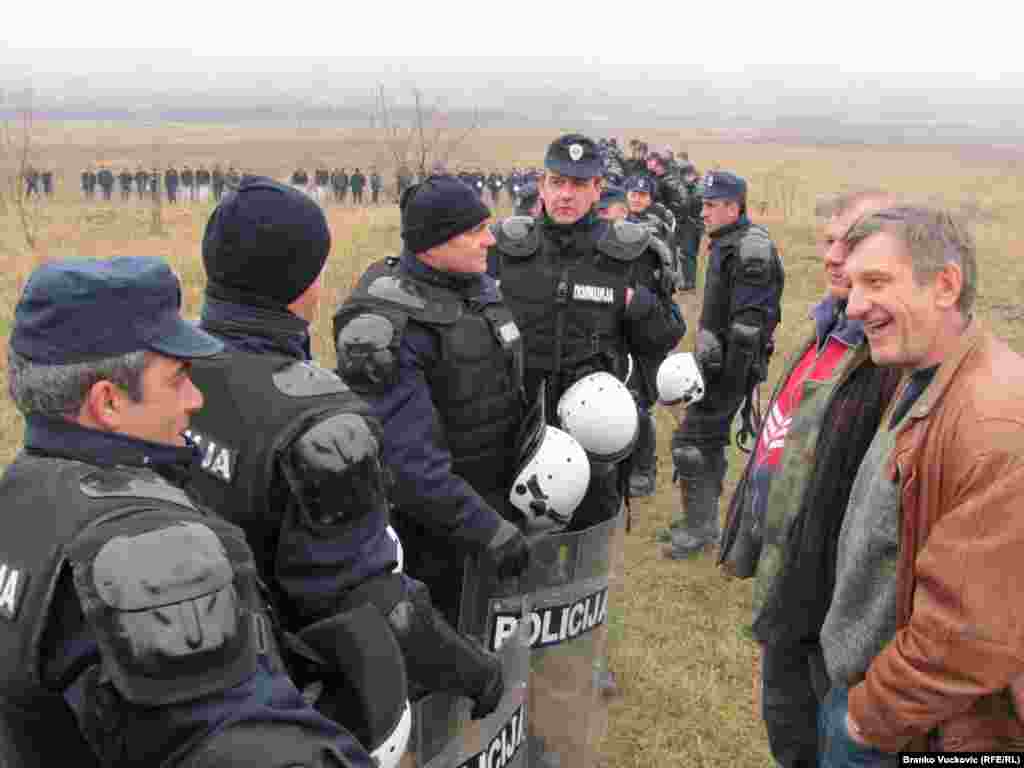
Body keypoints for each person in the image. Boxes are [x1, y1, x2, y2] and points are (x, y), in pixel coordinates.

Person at [0, 256, 375, 768]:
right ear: (108, 402)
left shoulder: (20, 495)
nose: (196, 398)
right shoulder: (145, 555)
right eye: (177, 378)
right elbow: (251, 749)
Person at [186, 176, 505, 728]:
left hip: (191, 657)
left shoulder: (169, 373)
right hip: (289, 696)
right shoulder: (320, 422)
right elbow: (372, 602)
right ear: (305, 282)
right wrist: (475, 672)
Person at [813, 206, 1024, 763]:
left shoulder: (995, 425)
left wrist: (865, 719)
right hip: (873, 699)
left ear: (946, 285)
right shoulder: (920, 374)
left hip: (905, 729)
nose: (854, 306)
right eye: (854, 285)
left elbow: (967, 632)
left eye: (876, 282)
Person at [717, 190, 901, 768]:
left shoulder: (889, 360)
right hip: (788, 583)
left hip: (832, 604)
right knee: (788, 730)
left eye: (853, 243)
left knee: (829, 738)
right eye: (828, 241)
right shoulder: (826, 329)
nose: (833, 256)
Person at [333, 174, 531, 627]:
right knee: (443, 645)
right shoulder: (385, 324)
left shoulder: (476, 287)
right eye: (474, 231)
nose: (490, 240)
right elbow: (407, 465)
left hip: (493, 510)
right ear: (433, 243)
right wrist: (487, 528)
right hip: (433, 534)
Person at [491, 133, 686, 530]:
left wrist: (636, 303)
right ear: (542, 186)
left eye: (579, 184)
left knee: (587, 535)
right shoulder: (505, 249)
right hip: (513, 424)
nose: (566, 194)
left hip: (592, 433)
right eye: (557, 182)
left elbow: (666, 335)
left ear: (597, 188)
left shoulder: (632, 254)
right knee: (510, 536)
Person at [664, 171, 784, 559]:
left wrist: (726, 378)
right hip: (716, 364)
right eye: (703, 204)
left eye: (712, 205)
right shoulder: (729, 242)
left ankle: (699, 529)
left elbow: (748, 329)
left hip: (729, 368)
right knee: (706, 440)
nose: (704, 212)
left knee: (691, 443)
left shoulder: (750, 251)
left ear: (734, 207)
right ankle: (704, 523)